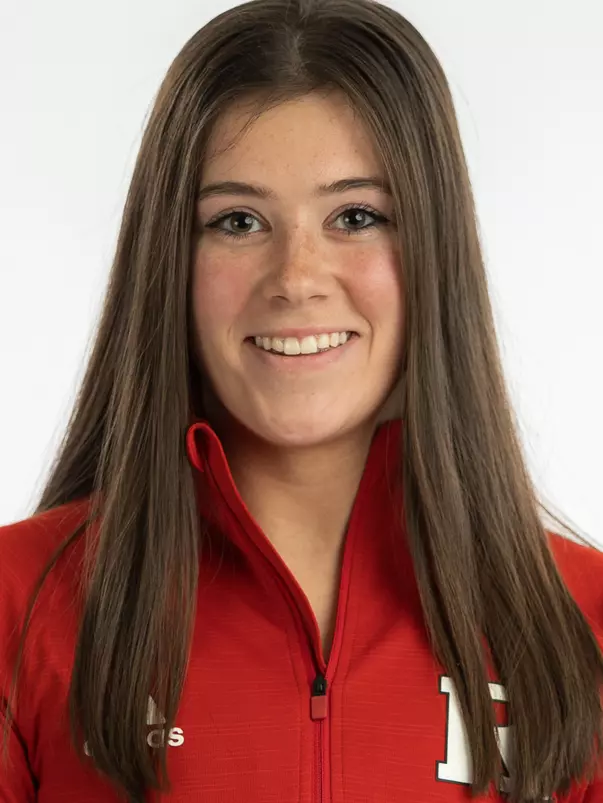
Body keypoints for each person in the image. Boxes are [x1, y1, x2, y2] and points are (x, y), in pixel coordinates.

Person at [1, 0, 602, 801]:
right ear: (168, 263)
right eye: (238, 220)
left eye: (356, 216)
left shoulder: (582, 624)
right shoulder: (17, 602)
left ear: (434, 249)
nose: (294, 277)